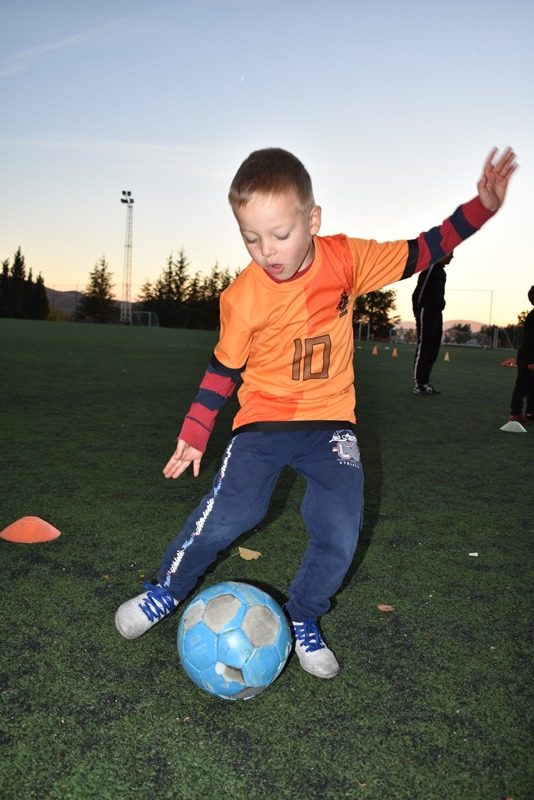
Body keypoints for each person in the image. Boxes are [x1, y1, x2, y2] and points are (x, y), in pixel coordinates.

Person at [115, 146, 517, 679]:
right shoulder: (243, 296)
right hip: (261, 422)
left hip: (331, 425)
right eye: (250, 238)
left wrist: (481, 207)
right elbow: (222, 369)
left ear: (313, 220)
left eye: (280, 234)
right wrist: (195, 430)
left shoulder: (347, 258)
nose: (267, 251)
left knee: (339, 530)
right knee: (232, 515)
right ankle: (165, 593)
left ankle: (303, 617)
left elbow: (425, 249)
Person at [411, 251, 454, 395]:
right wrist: (418, 313)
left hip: (436, 312)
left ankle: (425, 382)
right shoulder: (429, 268)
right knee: (424, 346)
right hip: (426, 311)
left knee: (433, 348)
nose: (452, 257)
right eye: (451, 253)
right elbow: (418, 293)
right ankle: (418, 385)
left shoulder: (442, 272)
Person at [509, 285, 534, 423]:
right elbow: (529, 341)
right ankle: (515, 413)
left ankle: (531, 412)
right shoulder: (532, 317)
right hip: (528, 357)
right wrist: (530, 361)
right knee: (523, 385)